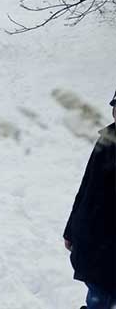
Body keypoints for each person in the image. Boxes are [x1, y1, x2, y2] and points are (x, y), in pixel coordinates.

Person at [64, 90, 116, 309]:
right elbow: (87, 188)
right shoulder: (107, 139)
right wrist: (71, 230)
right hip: (96, 249)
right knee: (97, 300)